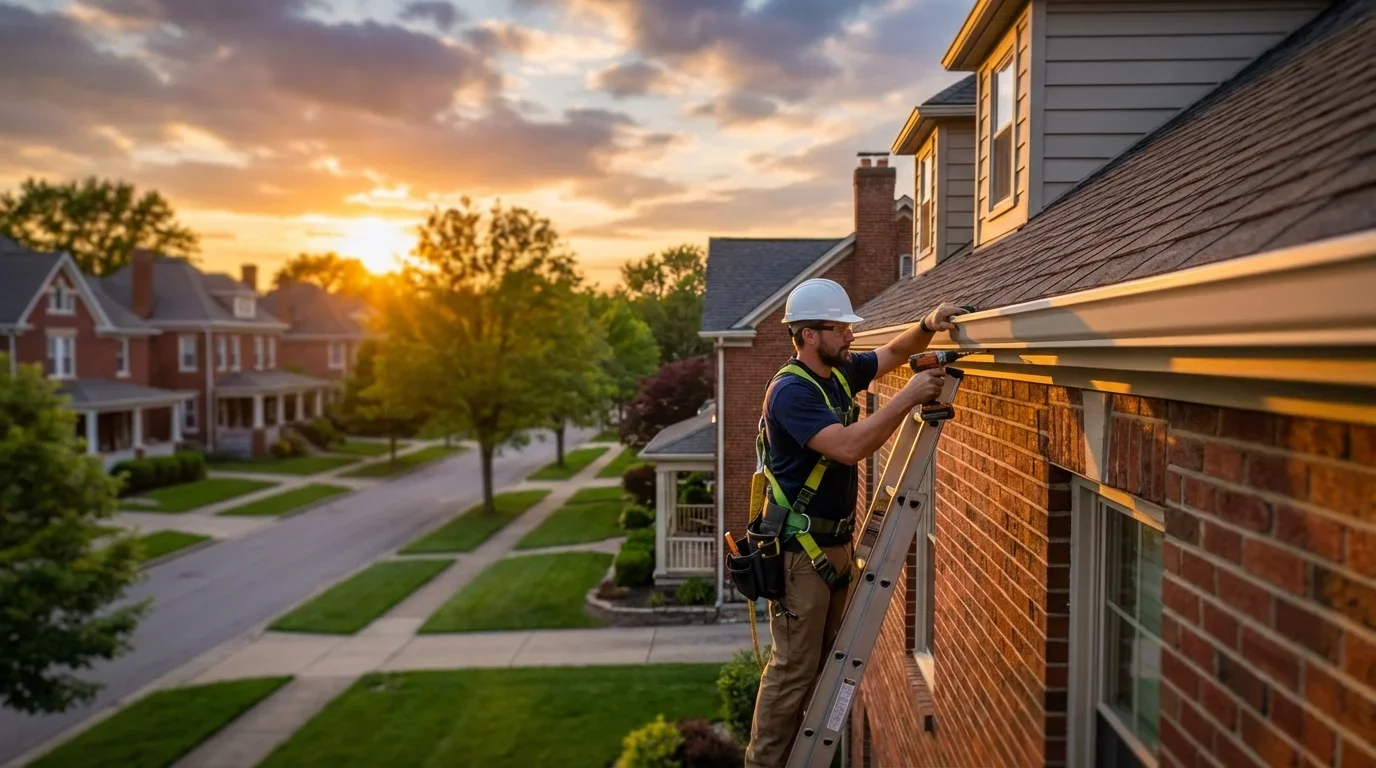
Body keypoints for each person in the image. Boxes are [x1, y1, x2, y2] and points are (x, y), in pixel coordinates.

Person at [745, 277, 968, 768]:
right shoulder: (790, 392)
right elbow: (848, 446)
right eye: (839, 328)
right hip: (800, 555)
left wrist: (928, 324)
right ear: (807, 335)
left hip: (833, 547)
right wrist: (908, 396)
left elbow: (891, 351)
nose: (850, 336)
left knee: (826, 665)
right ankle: (764, 764)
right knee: (794, 670)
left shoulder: (839, 373)